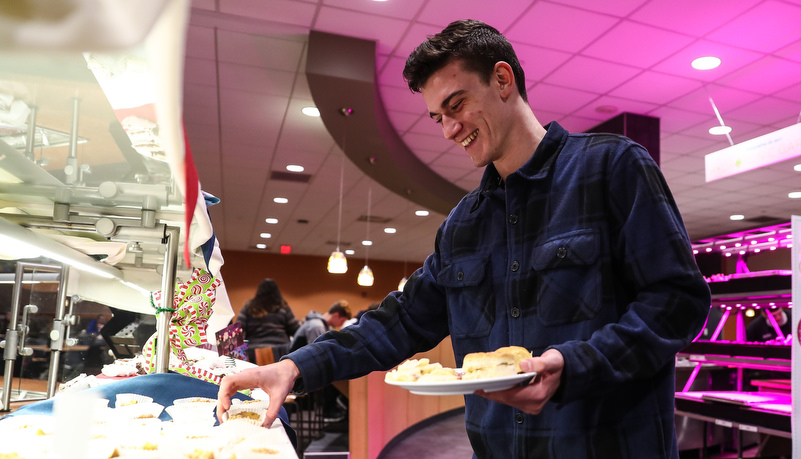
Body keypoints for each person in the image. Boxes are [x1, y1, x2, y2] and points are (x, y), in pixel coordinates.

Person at [218, 19, 711, 458]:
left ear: (502, 79)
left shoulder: (613, 167)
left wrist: (574, 364)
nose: (450, 129)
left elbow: (677, 301)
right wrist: (296, 367)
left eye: (456, 105)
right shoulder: (463, 224)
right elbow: (400, 322)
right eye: (437, 117)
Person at [287, 300, 352, 422]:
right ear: (336, 315)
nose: (340, 324)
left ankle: (336, 409)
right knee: (333, 374)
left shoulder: (318, 324)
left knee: (334, 371)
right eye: (342, 321)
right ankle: (328, 412)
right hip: (298, 373)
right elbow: (318, 354)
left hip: (300, 367)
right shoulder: (317, 326)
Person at [237, 279, 300, 359]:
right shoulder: (283, 307)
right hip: (281, 351)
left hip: (254, 352)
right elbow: (295, 330)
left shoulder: (249, 307)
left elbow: (238, 330)